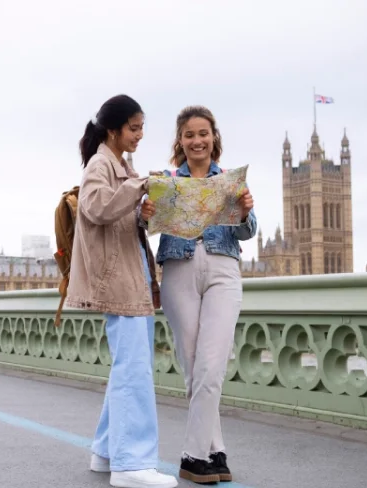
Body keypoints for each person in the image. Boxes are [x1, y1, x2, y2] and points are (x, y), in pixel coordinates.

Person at [66, 94, 178, 488]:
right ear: (113, 129)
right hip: (120, 281)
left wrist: (144, 212)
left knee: (125, 370)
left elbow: (118, 220)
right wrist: (141, 186)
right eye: (134, 128)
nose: (140, 135)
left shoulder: (119, 165)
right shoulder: (101, 163)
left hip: (131, 278)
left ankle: (106, 451)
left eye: (143, 127)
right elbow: (95, 208)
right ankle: (131, 464)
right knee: (134, 372)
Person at [141, 105, 256, 484]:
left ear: (213, 137)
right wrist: (146, 213)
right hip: (178, 268)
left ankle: (192, 455)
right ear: (181, 141)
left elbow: (249, 230)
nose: (197, 140)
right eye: (189, 135)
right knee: (194, 369)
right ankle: (215, 450)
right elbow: (148, 227)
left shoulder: (230, 181)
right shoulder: (168, 182)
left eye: (203, 133)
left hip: (223, 268)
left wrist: (244, 211)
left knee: (211, 364)